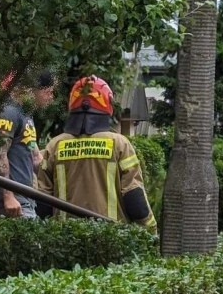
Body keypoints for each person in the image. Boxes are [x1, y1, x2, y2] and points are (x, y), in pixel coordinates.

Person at [35, 76, 156, 231]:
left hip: (66, 238)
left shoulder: (55, 146)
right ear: (107, 104)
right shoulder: (119, 144)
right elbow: (134, 196)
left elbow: (43, 203)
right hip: (111, 237)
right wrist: (150, 228)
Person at [0, 72, 41, 219]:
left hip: (26, 199)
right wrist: (8, 196)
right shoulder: (7, 111)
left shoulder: (25, 114)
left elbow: (35, 156)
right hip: (11, 203)